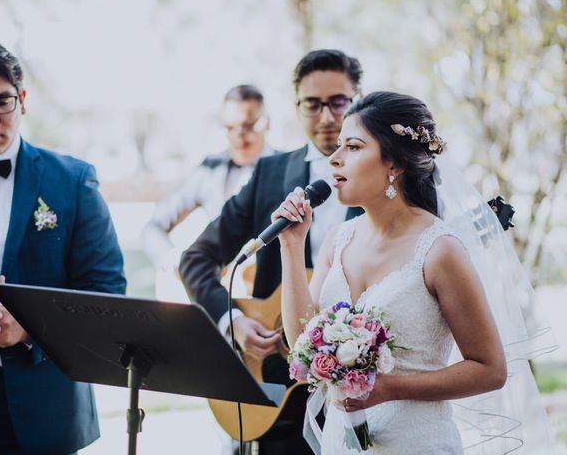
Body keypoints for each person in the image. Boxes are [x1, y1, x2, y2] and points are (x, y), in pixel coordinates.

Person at [275, 91, 557, 454]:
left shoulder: (440, 250)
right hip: (341, 443)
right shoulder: (337, 240)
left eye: (353, 147)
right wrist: (291, 247)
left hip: (415, 442)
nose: (334, 159)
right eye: (338, 147)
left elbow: (490, 369)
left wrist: (390, 388)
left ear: (394, 165)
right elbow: (302, 340)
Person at [0, 38, 126, 455]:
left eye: (2, 102)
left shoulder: (72, 181)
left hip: (40, 408)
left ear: (23, 101)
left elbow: (106, 295)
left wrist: (29, 328)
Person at [179, 49, 364, 455]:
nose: (327, 116)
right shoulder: (269, 173)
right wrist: (234, 322)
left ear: (358, 102)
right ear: (297, 107)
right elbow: (195, 258)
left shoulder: (386, 176)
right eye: (313, 104)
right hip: (279, 392)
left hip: (365, 391)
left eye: (339, 102)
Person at [140, 84, 275, 275]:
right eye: (230, 128)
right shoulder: (209, 170)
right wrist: (176, 261)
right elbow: (152, 228)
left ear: (266, 123)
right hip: (216, 290)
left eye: (247, 126)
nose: (238, 137)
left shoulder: (288, 169)